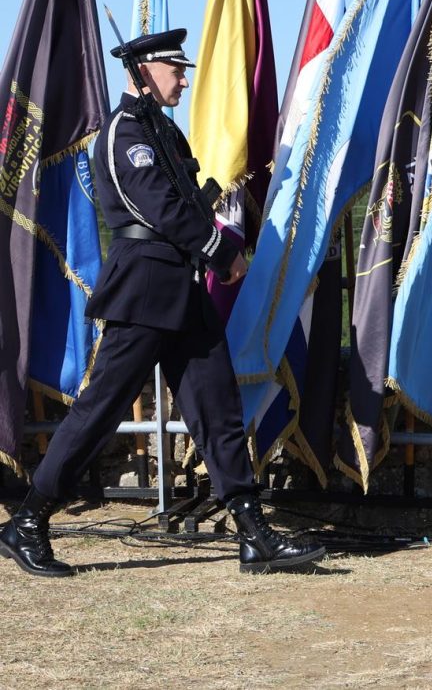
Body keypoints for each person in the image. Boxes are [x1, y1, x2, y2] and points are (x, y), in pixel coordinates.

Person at [0, 29, 325, 577]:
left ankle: (253, 533)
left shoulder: (164, 133)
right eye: (174, 68)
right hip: (145, 288)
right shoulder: (126, 134)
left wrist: (213, 245)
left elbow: (189, 200)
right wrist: (223, 252)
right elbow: (158, 208)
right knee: (99, 411)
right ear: (142, 71)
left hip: (182, 289)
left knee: (217, 410)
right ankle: (28, 522)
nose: (183, 77)